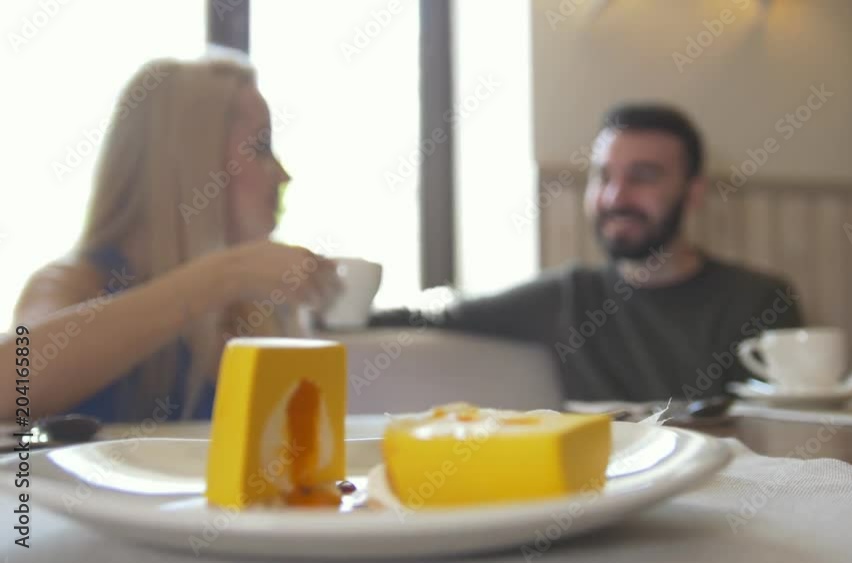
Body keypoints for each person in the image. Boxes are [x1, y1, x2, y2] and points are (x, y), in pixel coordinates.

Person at [372, 103, 803, 401]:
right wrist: (338, 299)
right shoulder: (567, 296)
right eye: (603, 176)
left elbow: (781, 431)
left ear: (693, 193)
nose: (615, 197)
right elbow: (438, 315)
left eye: (643, 176)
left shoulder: (758, 301)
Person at [0, 55, 337, 422]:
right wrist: (225, 275)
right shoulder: (75, 282)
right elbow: (10, 385)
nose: (283, 175)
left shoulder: (250, 311)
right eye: (260, 147)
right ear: (191, 158)